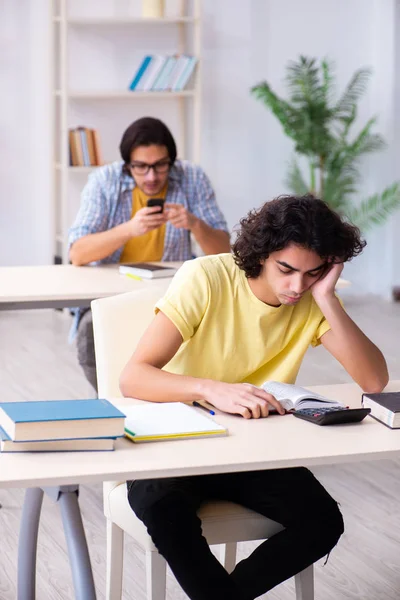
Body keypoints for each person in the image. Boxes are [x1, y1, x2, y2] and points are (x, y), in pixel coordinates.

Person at [119, 194, 389, 600]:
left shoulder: (313, 298)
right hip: (178, 444)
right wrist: (211, 389)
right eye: (286, 269)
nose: (296, 286)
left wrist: (328, 298)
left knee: (322, 522)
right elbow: (133, 377)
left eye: (313, 272)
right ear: (262, 253)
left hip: (254, 451)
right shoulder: (206, 278)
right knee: (162, 506)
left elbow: (374, 379)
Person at [68, 117, 230, 390]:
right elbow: (77, 253)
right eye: (141, 167)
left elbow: (224, 251)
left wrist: (195, 224)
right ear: (127, 164)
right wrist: (129, 229)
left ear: (172, 161)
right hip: (111, 293)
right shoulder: (104, 181)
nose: (152, 176)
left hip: (172, 292)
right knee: (90, 332)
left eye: (160, 166)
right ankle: (114, 400)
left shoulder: (193, 178)